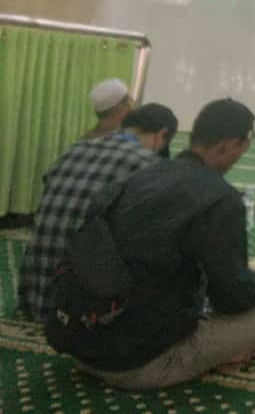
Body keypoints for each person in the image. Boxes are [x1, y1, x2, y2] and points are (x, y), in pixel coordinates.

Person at [44, 98, 255, 390]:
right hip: (138, 364)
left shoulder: (142, 176)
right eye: (242, 148)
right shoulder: (221, 199)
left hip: (80, 343)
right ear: (229, 145)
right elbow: (234, 300)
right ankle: (219, 354)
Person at [17, 102, 178, 322]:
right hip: (83, 306)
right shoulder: (148, 164)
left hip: (35, 293)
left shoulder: (76, 148)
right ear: (161, 135)